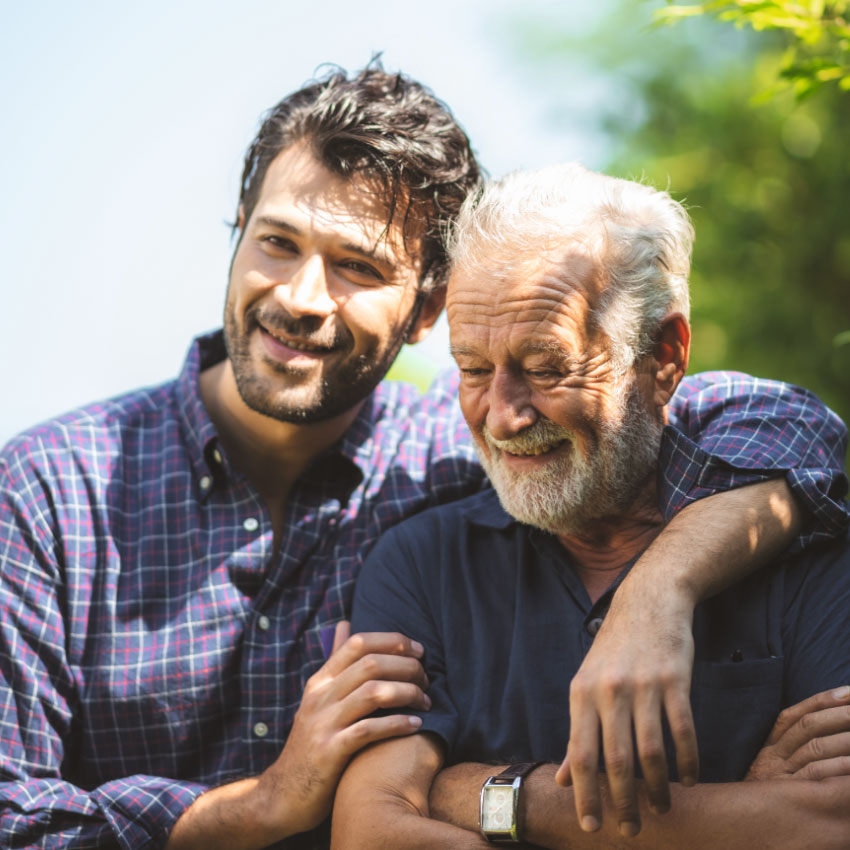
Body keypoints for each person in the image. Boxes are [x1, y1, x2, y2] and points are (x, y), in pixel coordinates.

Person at [0, 66, 847, 850]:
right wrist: (262, 802)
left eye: (358, 266)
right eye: (277, 242)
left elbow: (776, 427)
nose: (299, 297)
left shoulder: (475, 455)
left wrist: (659, 592)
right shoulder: (47, 492)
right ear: (236, 233)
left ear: (426, 311)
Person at [335, 162, 850, 849]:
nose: (503, 418)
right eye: (473, 370)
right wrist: (741, 815)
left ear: (663, 358)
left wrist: (483, 792)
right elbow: (372, 832)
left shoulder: (802, 545)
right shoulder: (422, 564)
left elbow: (835, 821)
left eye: (546, 367)